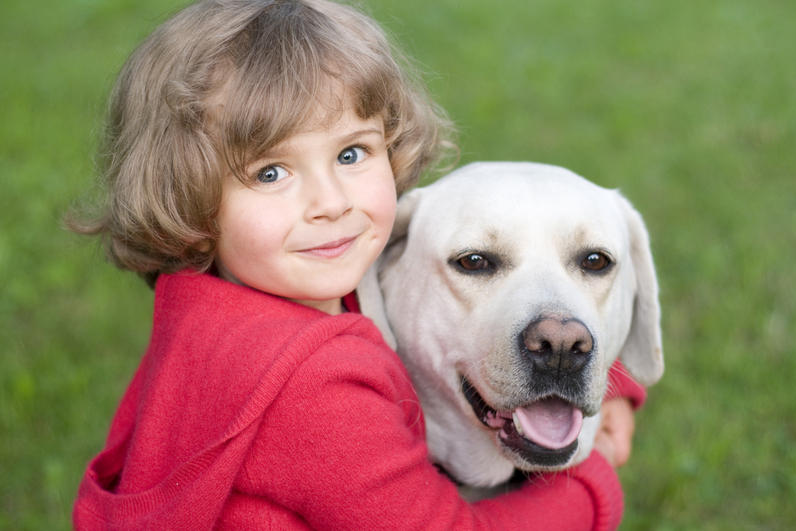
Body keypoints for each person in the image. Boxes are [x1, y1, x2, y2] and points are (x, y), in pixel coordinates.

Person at [71, 0, 646, 528]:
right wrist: (594, 481)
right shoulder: (313, 390)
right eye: (271, 172)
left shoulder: (221, 307)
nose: (330, 202)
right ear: (190, 199)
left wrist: (602, 382)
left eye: (350, 154)